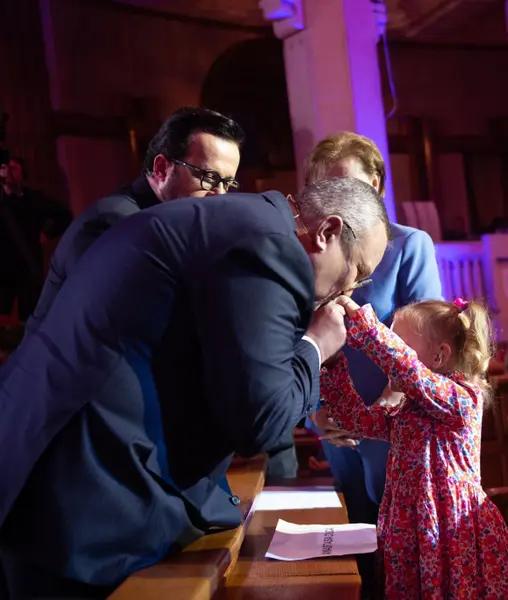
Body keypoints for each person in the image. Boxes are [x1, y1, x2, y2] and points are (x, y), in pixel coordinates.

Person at [0, 177, 390, 597]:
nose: (351, 293)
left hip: (52, 455)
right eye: (358, 273)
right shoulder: (271, 247)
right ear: (328, 231)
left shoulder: (246, 222)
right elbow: (262, 422)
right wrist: (316, 346)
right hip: (85, 489)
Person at [303, 132, 442, 594]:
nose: (337, 201)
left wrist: (387, 405)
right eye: (326, 189)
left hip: (393, 422)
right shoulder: (313, 249)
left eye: (350, 186)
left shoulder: (409, 245)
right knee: (352, 544)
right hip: (336, 423)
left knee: (402, 547)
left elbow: (426, 340)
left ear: (377, 185)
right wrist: (316, 411)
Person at [320, 297, 508, 599]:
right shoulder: (409, 408)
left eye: (399, 343)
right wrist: (332, 361)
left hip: (448, 530)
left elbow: (409, 372)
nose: (389, 353)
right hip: (409, 526)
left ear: (438, 357)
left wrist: (364, 326)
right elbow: (355, 419)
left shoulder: (461, 400)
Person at [26, 107, 244, 336]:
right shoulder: (115, 223)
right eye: (209, 178)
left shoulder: (168, 222)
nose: (220, 196)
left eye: (227, 184)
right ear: (161, 168)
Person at [0, 156, 72, 320]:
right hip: (2, 269)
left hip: (28, 268)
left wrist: (47, 234)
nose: (8, 172)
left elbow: (64, 216)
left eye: (14, 169)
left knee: (31, 317)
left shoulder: (34, 199)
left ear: (22, 174)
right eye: (5, 168)